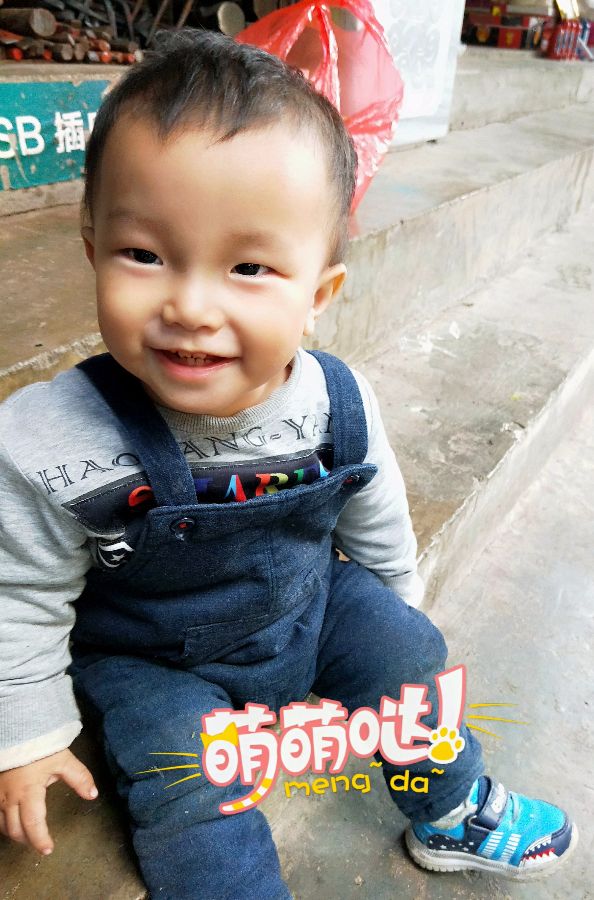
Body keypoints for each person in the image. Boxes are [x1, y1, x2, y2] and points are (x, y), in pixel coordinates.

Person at [0, 29, 577, 898]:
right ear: (92, 250)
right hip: (153, 660)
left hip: (308, 607)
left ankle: (453, 809)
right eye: (144, 255)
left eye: (249, 266)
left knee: (406, 651)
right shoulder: (55, 442)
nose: (191, 306)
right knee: (188, 771)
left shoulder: (335, 404)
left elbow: (376, 518)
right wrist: (27, 732)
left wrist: (392, 625)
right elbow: (16, 592)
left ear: (318, 296)